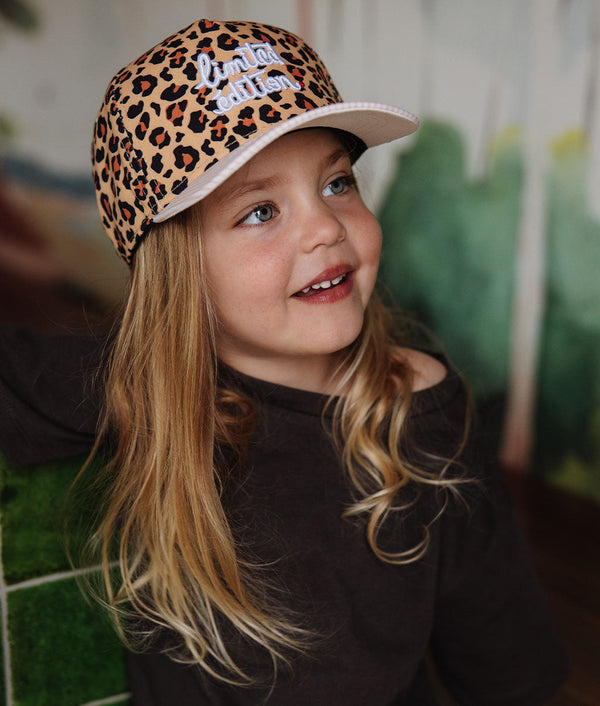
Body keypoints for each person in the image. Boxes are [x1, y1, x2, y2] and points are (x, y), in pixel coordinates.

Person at [0, 18, 567, 705]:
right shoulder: (134, 388)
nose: (325, 227)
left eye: (337, 183)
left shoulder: (423, 413)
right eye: (261, 211)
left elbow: (507, 667)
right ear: (179, 274)